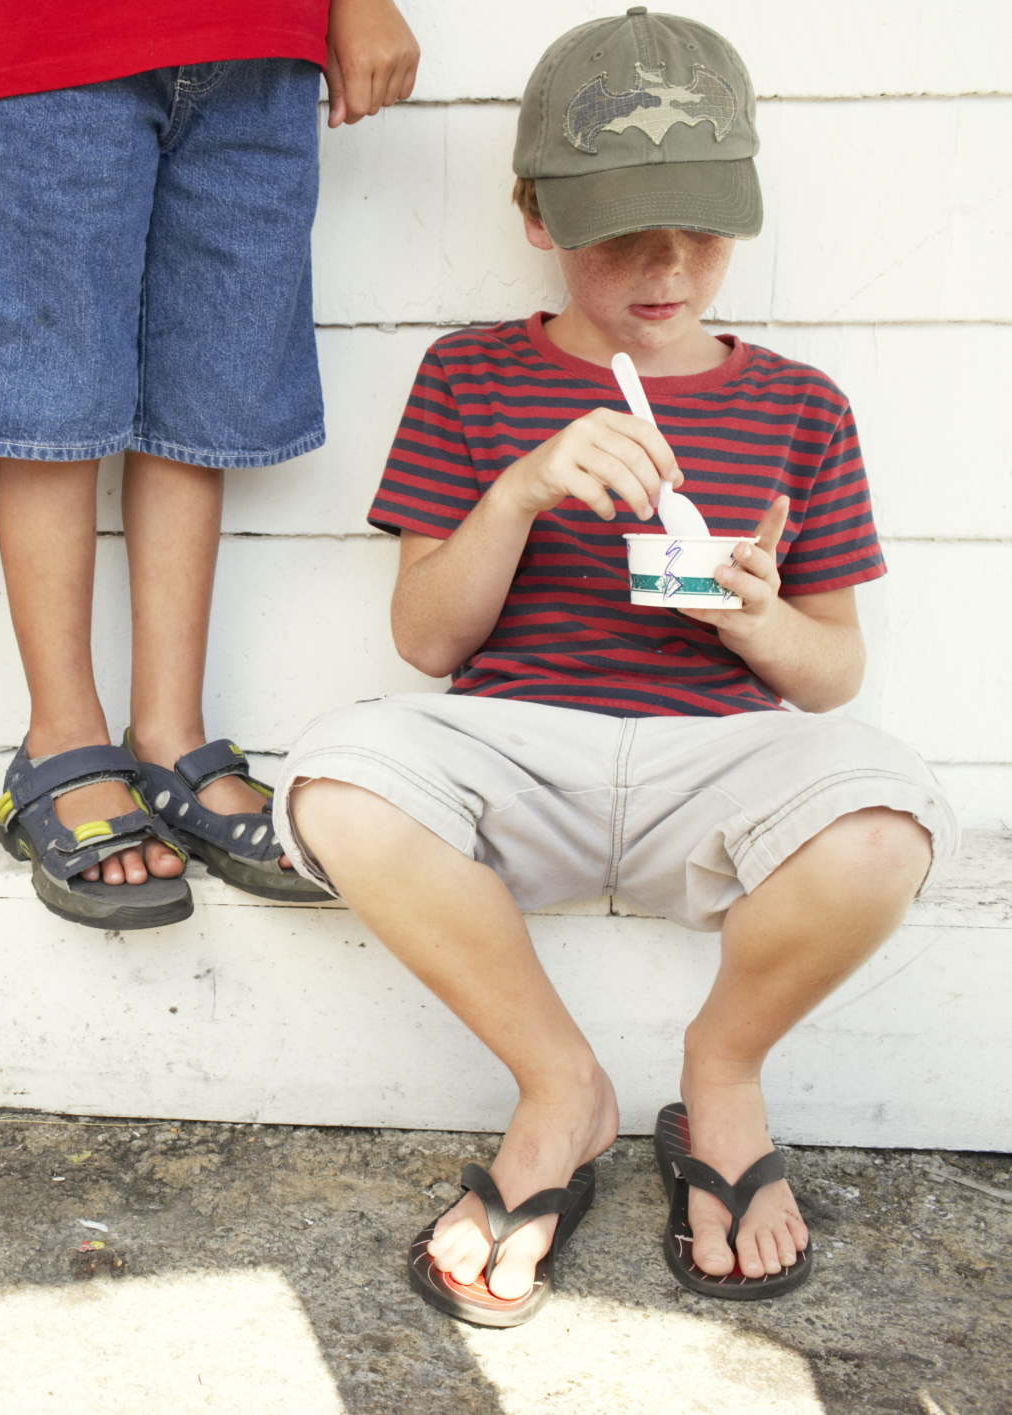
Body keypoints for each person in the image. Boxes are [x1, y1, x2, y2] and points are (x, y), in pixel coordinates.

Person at [273, 8, 957, 1326]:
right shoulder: (470, 377)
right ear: (536, 215)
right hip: (517, 747)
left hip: (720, 760)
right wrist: (519, 490)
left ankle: (724, 1070)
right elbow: (426, 640)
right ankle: (560, 1087)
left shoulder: (798, 404)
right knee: (336, 783)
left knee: (887, 819)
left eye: (700, 225)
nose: (665, 263)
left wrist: (756, 620)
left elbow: (829, 675)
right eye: (622, 229)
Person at [0, 0, 420, 929]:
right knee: (53, 399)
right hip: (56, 35)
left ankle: (168, 734)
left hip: (260, 44)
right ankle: (60, 739)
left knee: (204, 403)